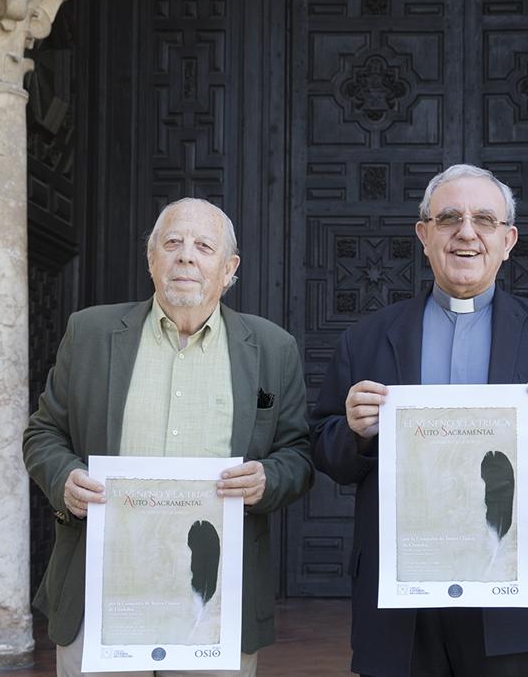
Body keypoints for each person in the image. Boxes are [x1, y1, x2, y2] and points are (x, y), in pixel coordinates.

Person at [310, 164, 528, 677]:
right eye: (449, 218)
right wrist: (355, 434)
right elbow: (323, 446)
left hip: (514, 598)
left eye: (485, 220)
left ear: (508, 239)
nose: (466, 233)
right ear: (424, 235)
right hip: (401, 598)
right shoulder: (365, 338)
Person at [23, 198, 315, 676]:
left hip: (216, 596)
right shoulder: (91, 332)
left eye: (203, 246)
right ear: (151, 259)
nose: (186, 256)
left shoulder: (272, 349)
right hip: (101, 592)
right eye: (173, 243)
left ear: (228, 269)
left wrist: (268, 478)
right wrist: (65, 479)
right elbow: (43, 432)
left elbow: (298, 453)